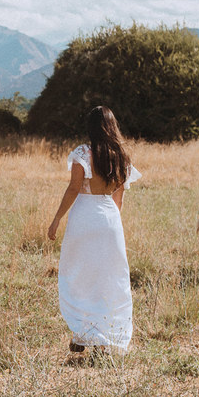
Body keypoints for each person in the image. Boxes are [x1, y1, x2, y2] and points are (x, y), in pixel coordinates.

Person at [47, 106, 141, 355]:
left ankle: (81, 333)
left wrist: (57, 218)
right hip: (110, 218)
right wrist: (110, 224)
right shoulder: (121, 155)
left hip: (84, 217)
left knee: (79, 275)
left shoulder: (83, 153)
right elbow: (119, 196)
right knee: (110, 278)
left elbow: (73, 189)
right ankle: (107, 338)